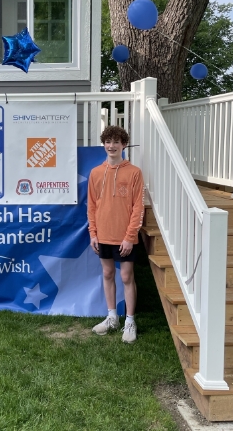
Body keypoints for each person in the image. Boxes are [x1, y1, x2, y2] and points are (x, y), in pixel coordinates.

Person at [87, 126, 144, 344]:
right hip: (102, 235)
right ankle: (112, 317)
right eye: (108, 142)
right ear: (104, 144)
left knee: (127, 277)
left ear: (124, 145)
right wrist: (93, 233)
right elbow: (91, 206)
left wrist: (130, 236)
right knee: (108, 274)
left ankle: (130, 321)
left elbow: (138, 207)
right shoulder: (95, 173)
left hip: (125, 237)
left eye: (116, 142)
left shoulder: (134, 173)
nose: (111, 146)